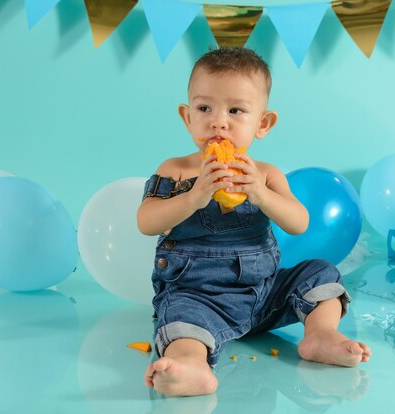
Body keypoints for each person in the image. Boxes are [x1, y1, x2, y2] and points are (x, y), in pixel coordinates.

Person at [136, 47, 371, 398]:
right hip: (197, 297)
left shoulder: (264, 174)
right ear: (187, 117)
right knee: (180, 320)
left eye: (235, 110)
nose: (218, 122)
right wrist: (194, 197)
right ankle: (192, 365)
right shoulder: (176, 170)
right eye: (204, 109)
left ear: (263, 123)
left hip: (263, 295)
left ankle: (320, 335)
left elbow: (299, 223)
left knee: (321, 273)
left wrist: (261, 194)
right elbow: (146, 221)